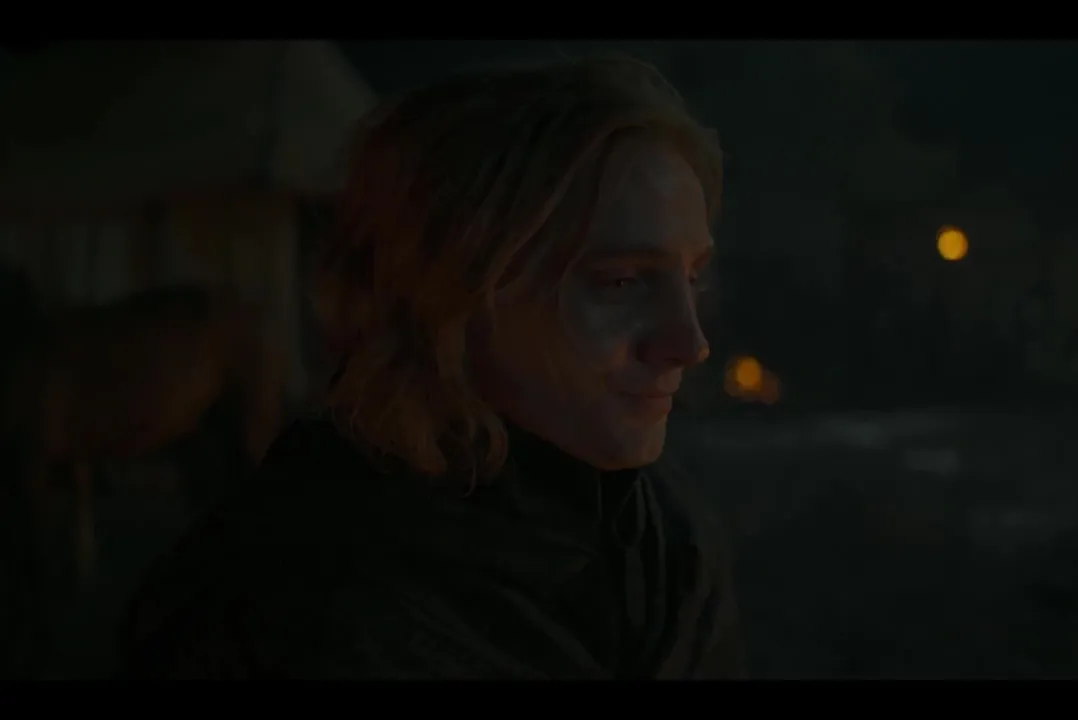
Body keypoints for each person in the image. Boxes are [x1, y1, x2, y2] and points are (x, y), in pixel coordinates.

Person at [116, 56, 747, 679]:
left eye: (692, 277)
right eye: (622, 282)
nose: (688, 343)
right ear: (452, 297)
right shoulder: (297, 599)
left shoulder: (669, 548)